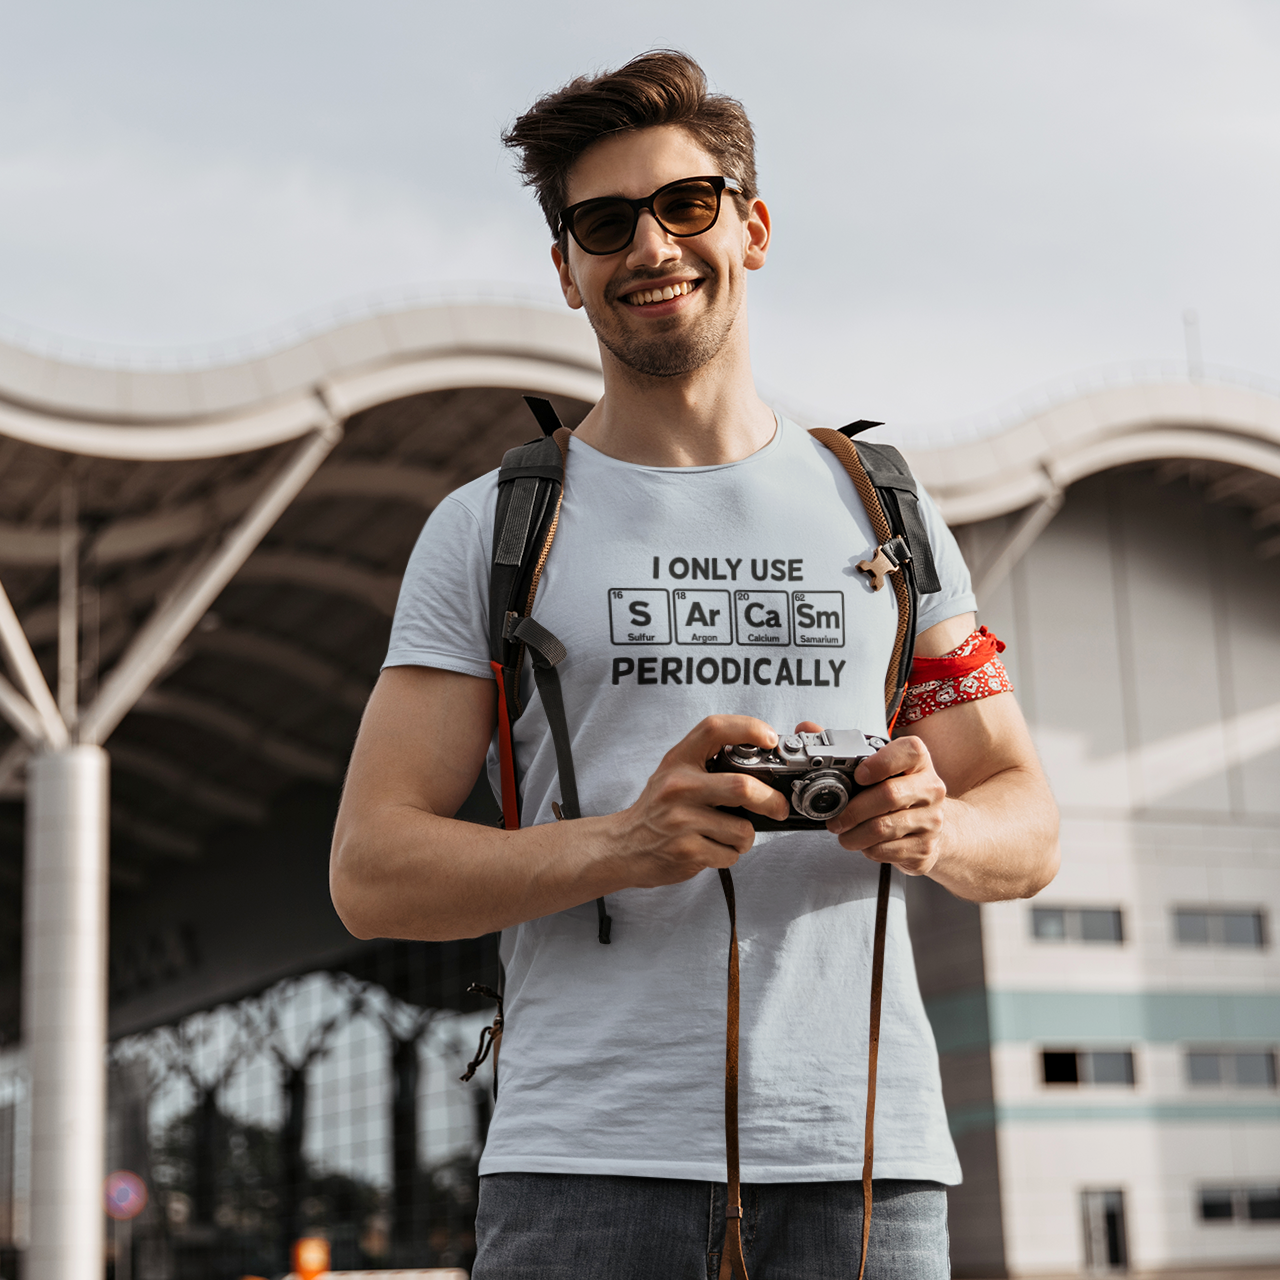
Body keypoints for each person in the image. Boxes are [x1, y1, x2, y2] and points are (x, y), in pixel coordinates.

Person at [330, 50, 1059, 1280]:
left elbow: (1025, 822)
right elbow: (369, 870)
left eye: (686, 204)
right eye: (604, 223)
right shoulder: (492, 526)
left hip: (862, 1160)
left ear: (751, 227)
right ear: (564, 269)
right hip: (584, 1164)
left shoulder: (885, 509)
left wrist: (931, 825)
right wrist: (629, 840)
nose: (651, 246)